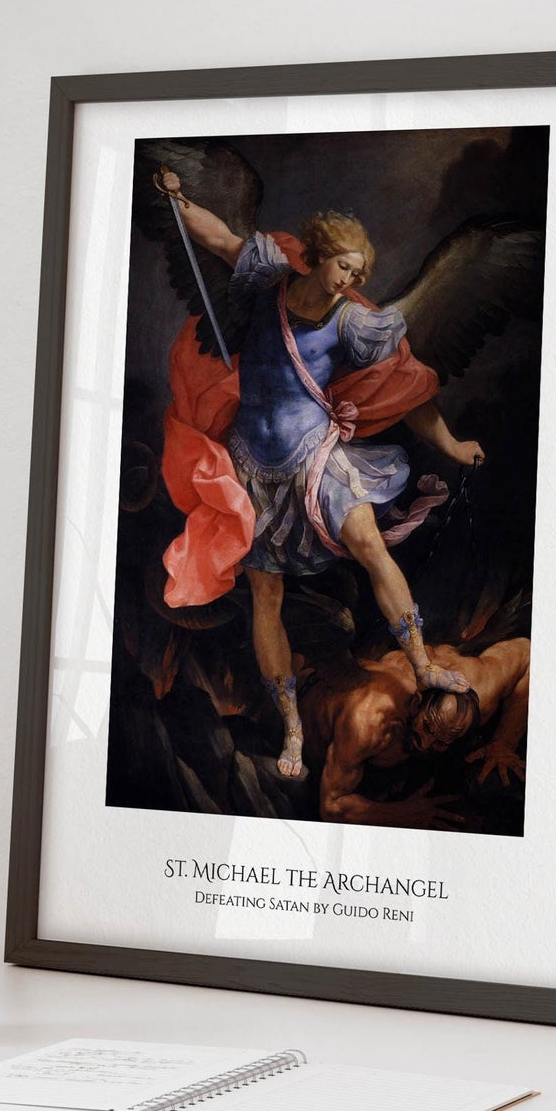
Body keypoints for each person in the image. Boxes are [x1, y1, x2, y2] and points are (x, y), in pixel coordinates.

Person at [154, 169, 484, 782]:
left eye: (360, 274)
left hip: (317, 458)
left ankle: (421, 664)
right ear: (317, 256)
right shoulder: (265, 285)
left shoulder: (355, 323)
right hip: (252, 467)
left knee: (368, 546)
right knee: (266, 594)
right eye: (346, 268)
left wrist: (452, 443)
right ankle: (294, 729)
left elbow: (407, 390)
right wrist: (177, 198)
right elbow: (221, 240)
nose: (355, 281)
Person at [300, 637, 530, 827]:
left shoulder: (479, 692)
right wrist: (403, 814)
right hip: (303, 700)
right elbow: (331, 806)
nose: (426, 744)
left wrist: (504, 743)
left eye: (442, 741)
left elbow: (527, 654)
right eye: (428, 727)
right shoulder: (369, 720)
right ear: (416, 703)